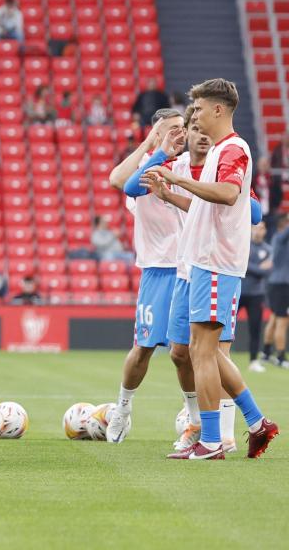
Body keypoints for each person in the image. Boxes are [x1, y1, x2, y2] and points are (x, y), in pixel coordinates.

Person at [142, 77, 278, 460]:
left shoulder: (234, 149)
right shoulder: (220, 150)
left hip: (216, 264)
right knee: (196, 351)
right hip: (197, 262)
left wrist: (176, 177)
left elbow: (230, 194)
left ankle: (214, 441)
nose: (194, 115)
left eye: (199, 108)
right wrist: (169, 196)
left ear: (218, 109)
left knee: (206, 352)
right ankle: (255, 424)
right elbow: (209, 208)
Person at [104, 108, 190, 443]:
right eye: (172, 129)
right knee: (143, 347)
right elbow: (119, 182)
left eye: (182, 128)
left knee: (186, 353)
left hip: (188, 268)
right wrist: (153, 146)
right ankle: (123, 409)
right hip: (157, 270)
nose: (179, 134)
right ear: (156, 134)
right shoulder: (145, 168)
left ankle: (192, 415)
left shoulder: (185, 167)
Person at [241, 222, 272, 372]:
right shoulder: (244, 245)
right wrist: (259, 267)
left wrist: (255, 268)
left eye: (261, 228)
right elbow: (243, 265)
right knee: (226, 325)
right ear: (251, 229)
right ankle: (223, 356)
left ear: (265, 231)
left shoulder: (268, 249)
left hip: (257, 294)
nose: (258, 231)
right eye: (256, 227)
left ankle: (253, 361)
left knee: (255, 328)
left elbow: (268, 271)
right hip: (239, 291)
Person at [265, 223, 289, 368]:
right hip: (282, 285)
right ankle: (280, 357)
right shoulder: (281, 238)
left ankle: (266, 352)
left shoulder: (277, 240)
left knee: (274, 319)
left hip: (276, 283)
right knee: (282, 321)